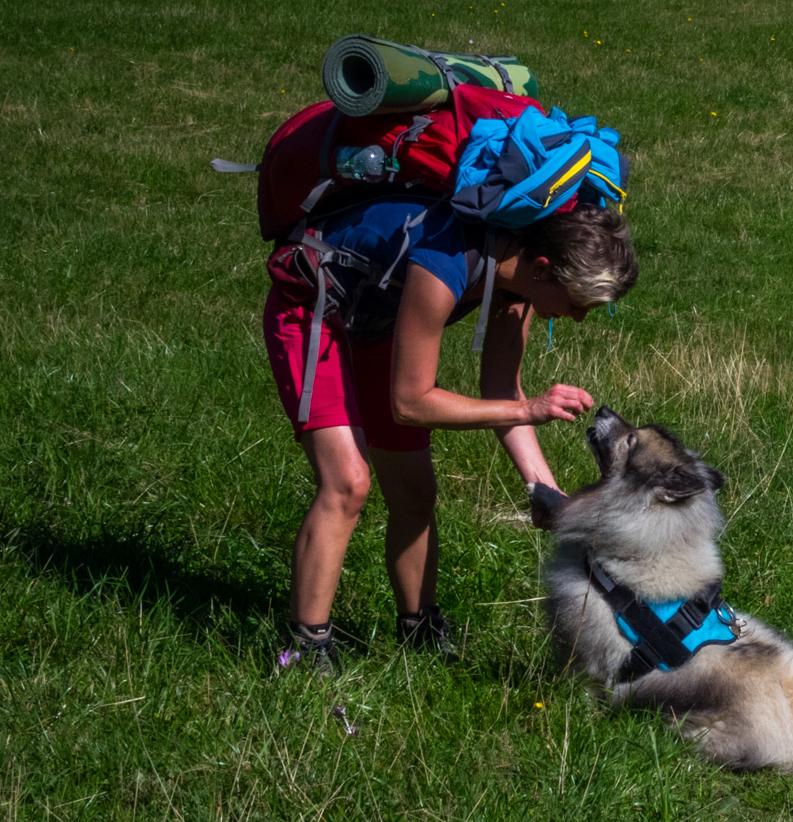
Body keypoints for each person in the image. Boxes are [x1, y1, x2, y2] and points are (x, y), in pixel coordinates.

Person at [262, 194, 636, 672]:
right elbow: (410, 403)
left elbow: (502, 388)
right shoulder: (445, 262)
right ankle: (306, 649)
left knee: (416, 490)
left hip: (375, 320)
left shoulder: (518, 287)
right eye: (578, 302)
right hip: (311, 306)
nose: (579, 317)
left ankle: (418, 629)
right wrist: (529, 408)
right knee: (348, 482)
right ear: (543, 268)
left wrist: (542, 488)